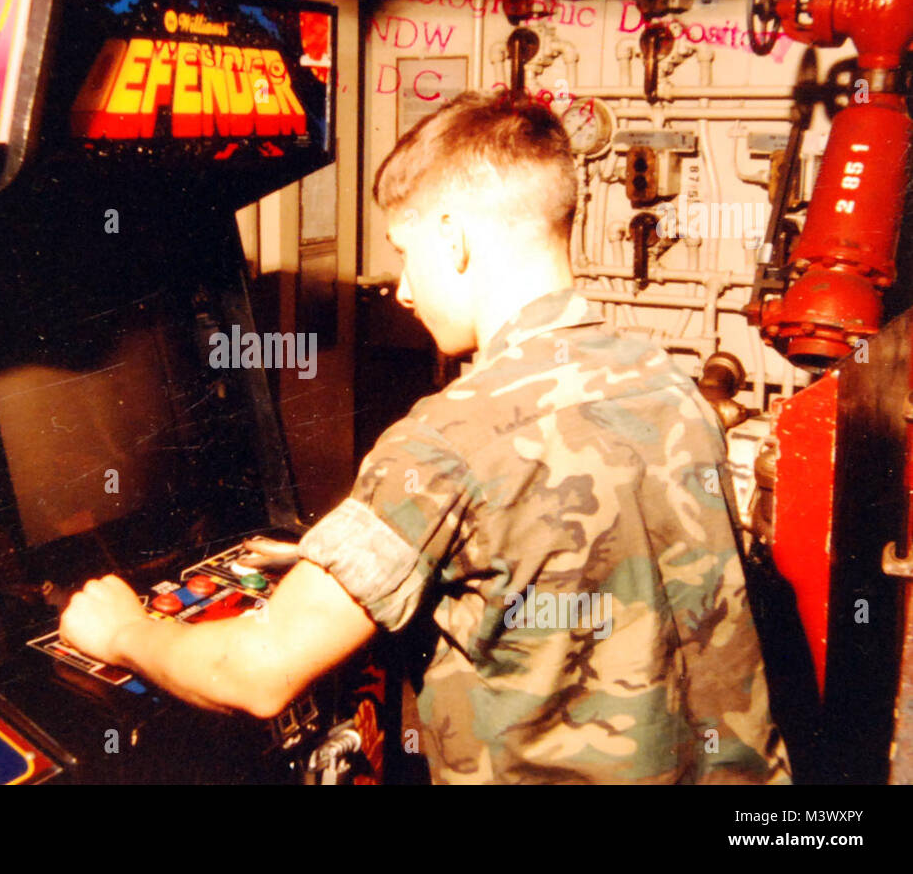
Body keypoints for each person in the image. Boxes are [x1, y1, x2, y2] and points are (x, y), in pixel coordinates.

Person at [61, 89, 791, 784]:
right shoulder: (664, 380)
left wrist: (123, 629)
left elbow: (256, 671)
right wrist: (335, 553)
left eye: (405, 251)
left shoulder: (448, 438)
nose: (404, 289)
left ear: (454, 234)